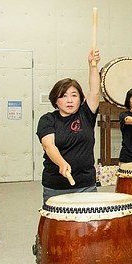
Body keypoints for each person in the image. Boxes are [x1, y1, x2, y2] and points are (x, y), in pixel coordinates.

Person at [36, 49, 101, 205]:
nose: (69, 100)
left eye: (74, 95)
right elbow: (49, 145)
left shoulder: (86, 114)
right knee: (56, 229)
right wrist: (61, 163)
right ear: (55, 100)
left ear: (80, 98)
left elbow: (95, 91)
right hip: (56, 186)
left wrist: (92, 66)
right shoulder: (48, 119)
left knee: (89, 227)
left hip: (86, 184)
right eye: (63, 96)